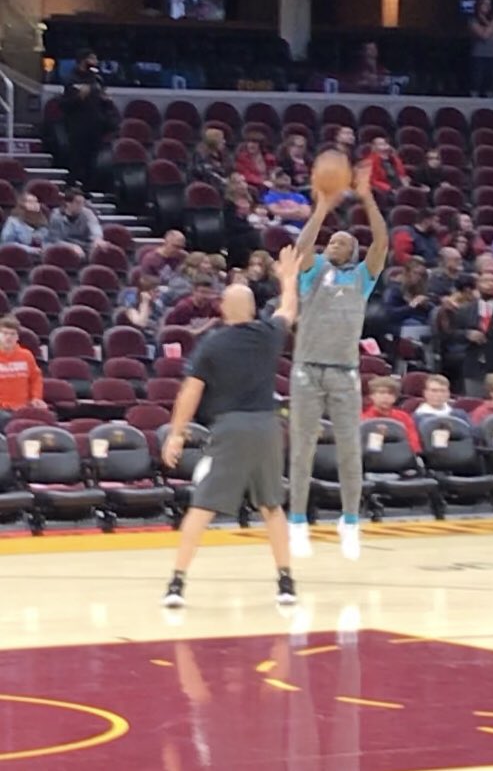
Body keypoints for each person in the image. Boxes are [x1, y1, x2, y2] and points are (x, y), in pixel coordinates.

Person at [161, 245, 303, 609]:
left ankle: (176, 584)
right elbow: (288, 309)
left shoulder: (212, 343)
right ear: (254, 310)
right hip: (268, 426)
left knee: (202, 507)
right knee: (272, 505)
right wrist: (288, 278)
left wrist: (176, 434)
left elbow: (189, 394)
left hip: (230, 428)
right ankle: (286, 583)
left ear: (223, 309)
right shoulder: (269, 334)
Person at [288, 163, 388, 561]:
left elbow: (381, 243)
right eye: (331, 239)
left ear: (353, 252)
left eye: (342, 240)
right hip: (307, 369)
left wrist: (367, 198)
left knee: (350, 450)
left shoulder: (362, 278)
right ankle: (297, 523)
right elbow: (302, 248)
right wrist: (322, 207)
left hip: (345, 373)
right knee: (302, 450)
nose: (334, 241)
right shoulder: (313, 275)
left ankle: (349, 521)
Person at [61, 48, 116, 190]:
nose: (96, 62)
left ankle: (87, 190)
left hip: (95, 126)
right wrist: (79, 97)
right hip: (78, 126)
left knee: (92, 161)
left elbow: (103, 101)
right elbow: (64, 104)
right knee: (76, 159)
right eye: (92, 59)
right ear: (84, 60)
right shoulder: (71, 79)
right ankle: (70, 187)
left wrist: (105, 100)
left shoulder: (97, 79)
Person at [0, 316, 46, 430]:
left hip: (23, 407)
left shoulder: (26, 355)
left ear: (17, 337)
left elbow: (35, 378)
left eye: (12, 334)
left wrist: (36, 398)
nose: (8, 337)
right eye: (5, 333)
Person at [362, 376, 421, 452]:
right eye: (381, 393)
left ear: (395, 397)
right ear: (372, 396)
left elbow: (414, 445)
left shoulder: (404, 417)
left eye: (390, 393)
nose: (386, 397)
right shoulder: (363, 419)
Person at [383, 257, 434, 340]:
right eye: (416, 273)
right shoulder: (394, 289)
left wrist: (427, 305)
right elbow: (390, 314)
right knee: (415, 324)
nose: (419, 277)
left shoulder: (417, 288)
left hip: (420, 320)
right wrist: (412, 305)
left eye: (421, 274)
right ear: (407, 272)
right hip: (400, 324)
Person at [47, 187, 106, 258]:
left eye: (83, 203)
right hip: (63, 244)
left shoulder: (87, 213)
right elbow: (55, 239)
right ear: (68, 203)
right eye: (78, 203)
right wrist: (71, 246)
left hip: (84, 244)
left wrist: (97, 239)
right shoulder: (56, 216)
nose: (81, 206)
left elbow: (94, 226)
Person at [469, 0, 493, 98]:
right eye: (485, 4)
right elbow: (484, 35)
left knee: (491, 80)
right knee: (477, 79)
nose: (488, 7)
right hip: (479, 55)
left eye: (489, 4)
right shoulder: (473, 20)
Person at [222, 179, 262, 270]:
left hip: (245, 229)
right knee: (252, 236)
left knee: (257, 235)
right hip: (233, 234)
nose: (242, 185)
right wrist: (251, 227)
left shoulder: (249, 198)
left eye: (243, 182)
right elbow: (231, 224)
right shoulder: (228, 204)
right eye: (239, 182)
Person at [262, 170, 311, 235]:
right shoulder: (269, 196)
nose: (285, 177)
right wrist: (297, 211)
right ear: (271, 181)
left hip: (305, 228)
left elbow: (306, 213)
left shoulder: (299, 196)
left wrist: (289, 214)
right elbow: (276, 212)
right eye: (279, 176)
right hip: (283, 230)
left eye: (287, 175)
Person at [118, 275, 163, 340]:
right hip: (134, 340)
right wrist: (145, 302)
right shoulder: (131, 306)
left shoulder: (156, 307)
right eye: (155, 291)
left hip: (152, 340)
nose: (159, 294)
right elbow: (141, 323)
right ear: (145, 292)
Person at [191, 127, 232, 191]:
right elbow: (207, 175)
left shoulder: (224, 152)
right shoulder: (201, 156)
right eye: (221, 140)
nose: (224, 141)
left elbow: (229, 167)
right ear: (213, 143)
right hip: (208, 188)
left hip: (225, 183)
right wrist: (223, 181)